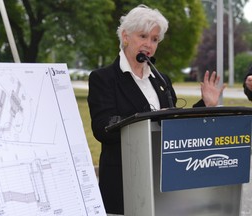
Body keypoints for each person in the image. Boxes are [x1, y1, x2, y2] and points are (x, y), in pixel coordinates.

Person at [87, 4, 225, 215]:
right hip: (125, 182)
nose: (149, 45)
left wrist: (205, 104)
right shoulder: (103, 79)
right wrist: (145, 123)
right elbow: (102, 128)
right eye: (143, 36)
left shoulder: (161, 80)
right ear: (125, 37)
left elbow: (174, 122)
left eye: (154, 39)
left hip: (163, 179)